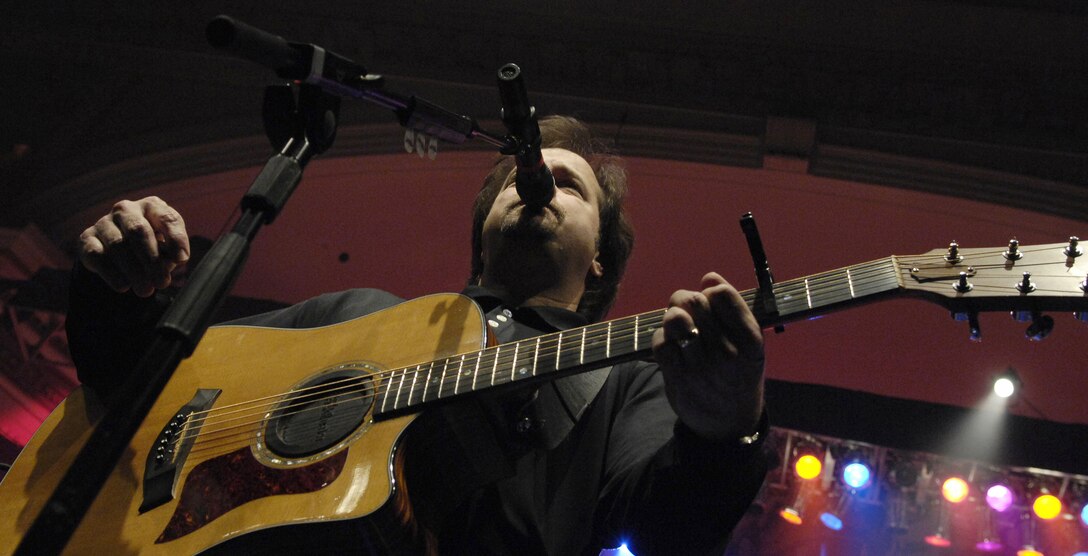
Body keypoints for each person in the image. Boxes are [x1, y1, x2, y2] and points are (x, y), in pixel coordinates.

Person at [66, 116, 769, 555]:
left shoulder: (625, 379)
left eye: (569, 186)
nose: (536, 188)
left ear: (601, 259)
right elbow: (138, 379)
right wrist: (116, 285)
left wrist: (724, 435)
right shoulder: (359, 312)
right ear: (481, 232)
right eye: (520, 181)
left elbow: (662, 533)